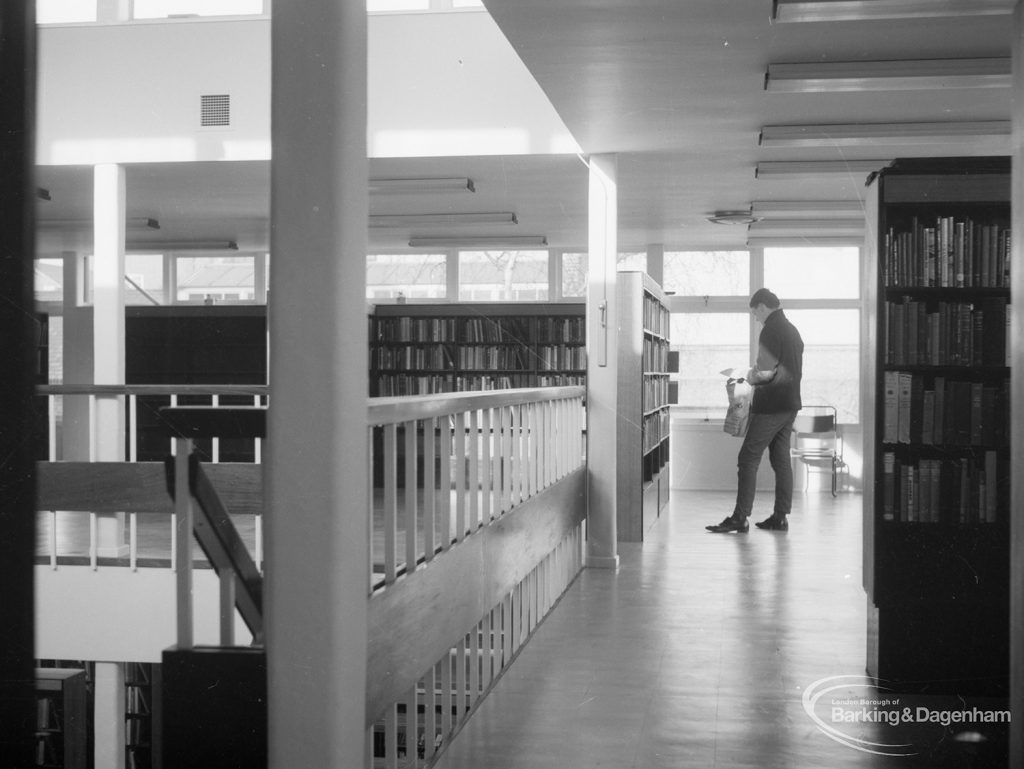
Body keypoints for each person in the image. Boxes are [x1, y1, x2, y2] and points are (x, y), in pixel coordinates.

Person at [707, 288, 803, 533]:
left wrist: (744, 376)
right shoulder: (792, 330)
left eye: (755, 314)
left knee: (747, 458)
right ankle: (780, 517)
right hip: (790, 405)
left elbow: (765, 372)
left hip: (772, 406)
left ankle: (740, 517)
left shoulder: (771, 329)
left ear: (762, 306)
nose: (756, 319)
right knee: (781, 459)